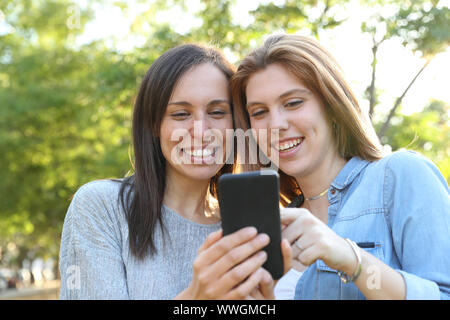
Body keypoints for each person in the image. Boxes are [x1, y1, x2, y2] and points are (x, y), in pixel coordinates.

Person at [59, 43, 291, 299]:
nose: (201, 132)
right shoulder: (100, 206)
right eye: (181, 114)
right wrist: (195, 299)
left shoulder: (247, 227)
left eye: (217, 112)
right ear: (154, 125)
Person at [231, 34, 450, 299]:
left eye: (293, 103)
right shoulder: (272, 227)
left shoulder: (400, 176)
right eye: (259, 112)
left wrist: (352, 260)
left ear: (332, 107)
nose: (275, 124)